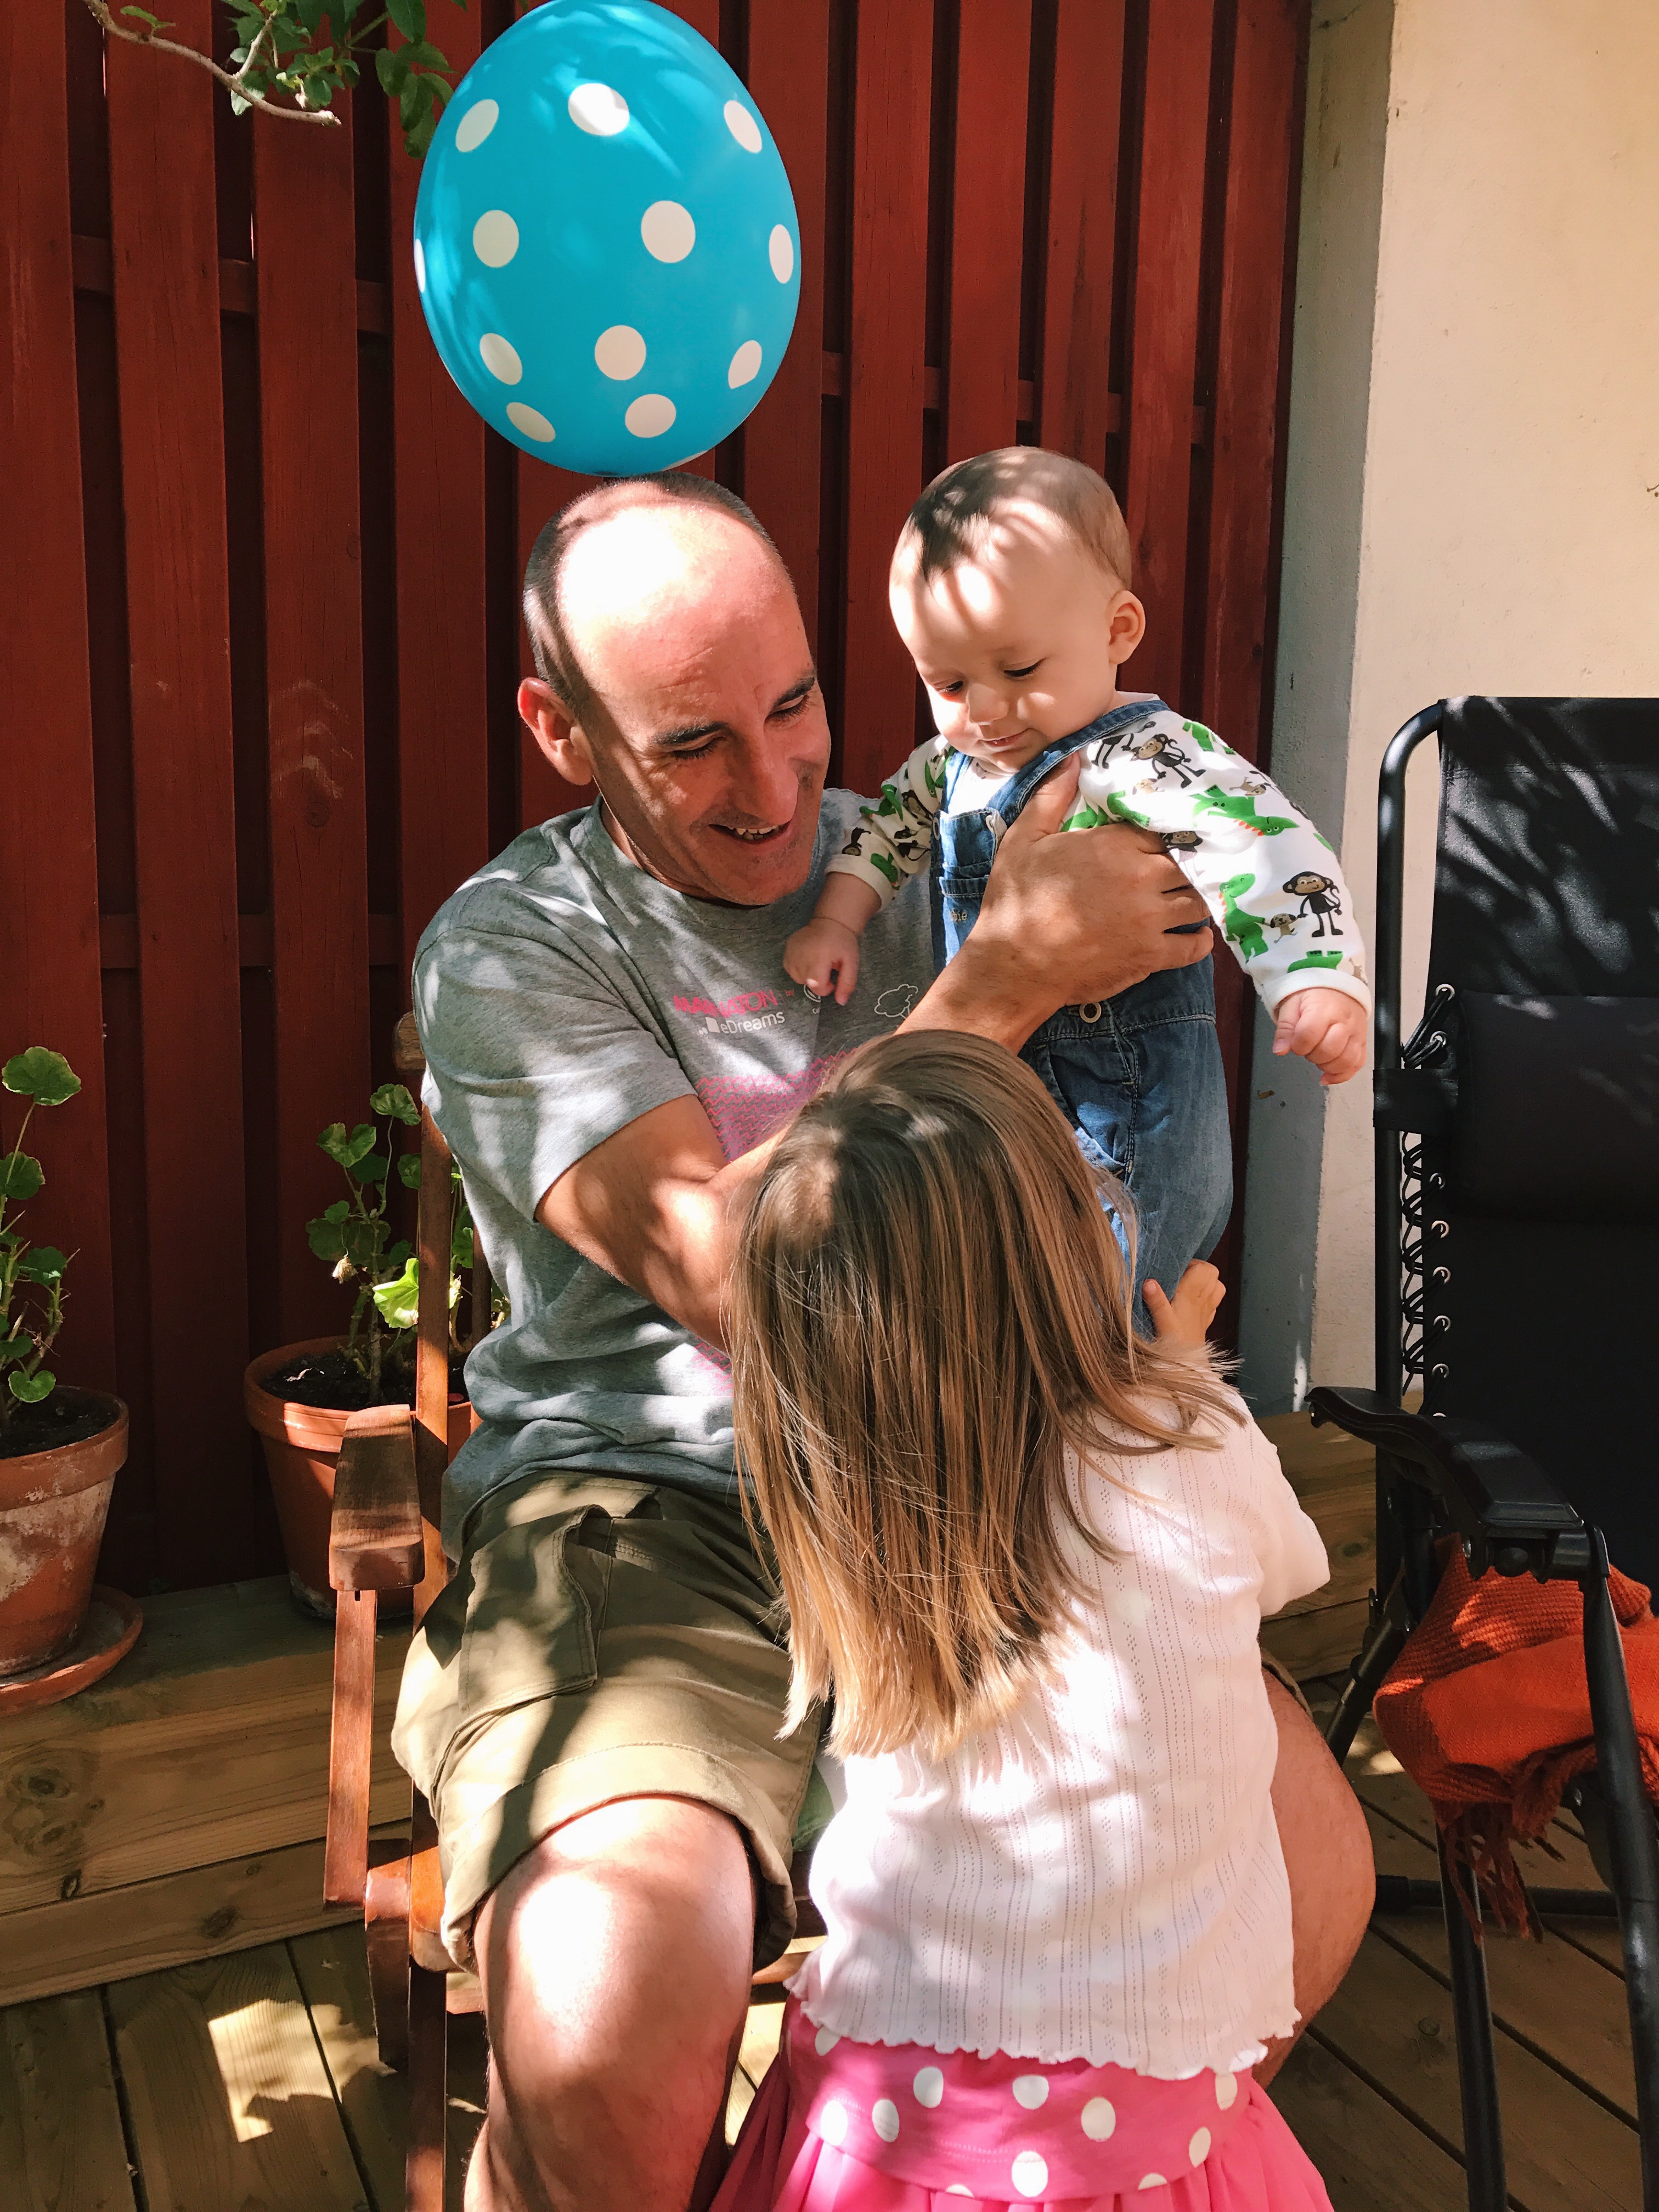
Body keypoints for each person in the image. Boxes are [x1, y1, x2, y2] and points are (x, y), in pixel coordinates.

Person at [392, 470, 1373, 2212]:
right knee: (610, 2026)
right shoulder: (519, 947)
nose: (775, 789)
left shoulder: (939, 830)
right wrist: (997, 986)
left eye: (794, 707)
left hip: (993, 1487)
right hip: (667, 1505)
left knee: (1312, 1873)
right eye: (694, 745)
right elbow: (727, 1280)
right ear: (559, 731)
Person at [718, 1031, 1335, 2212]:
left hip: (880, 2130)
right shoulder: (1195, 1441)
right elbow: (1290, 1567)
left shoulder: (856, 1516)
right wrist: (1180, 1380)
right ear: (1069, 1238)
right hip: (1152, 2139)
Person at [785, 448, 1369, 1314]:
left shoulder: (1144, 757)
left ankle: (1141, 1389)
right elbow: (886, 833)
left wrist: (1315, 977)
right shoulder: (948, 765)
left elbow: (1264, 846)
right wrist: (838, 919)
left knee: (1108, 1299)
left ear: (1118, 631)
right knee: (1015, 1292)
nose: (985, 709)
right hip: (1004, 1103)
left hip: (1124, 1115)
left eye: (1019, 671)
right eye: (948, 682)